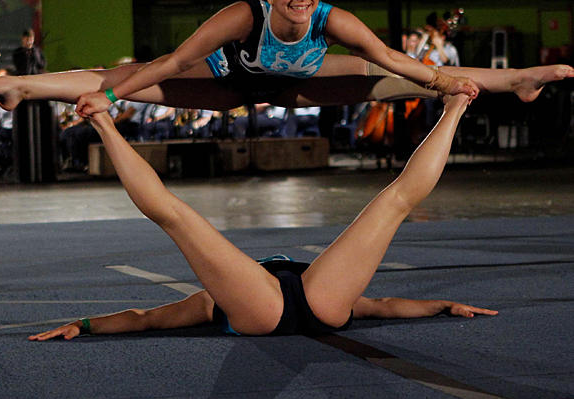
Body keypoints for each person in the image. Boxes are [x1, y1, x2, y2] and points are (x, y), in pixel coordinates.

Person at [29, 93, 496, 341]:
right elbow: (385, 306)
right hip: (319, 304)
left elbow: (145, 318)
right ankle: (455, 107)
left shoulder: (213, 298)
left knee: (175, 215)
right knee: (395, 202)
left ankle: (103, 122)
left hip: (268, 310)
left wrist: (88, 324)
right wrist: (437, 306)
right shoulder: (238, 291)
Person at [0, 0, 572, 122]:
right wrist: (108, 95)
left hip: (301, 83)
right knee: (127, 77)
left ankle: (520, 80)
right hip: (227, 83)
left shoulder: (331, 19)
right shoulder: (243, 18)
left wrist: (439, 80)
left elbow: (393, 55)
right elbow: (172, 62)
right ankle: (21, 87)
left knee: (405, 77)